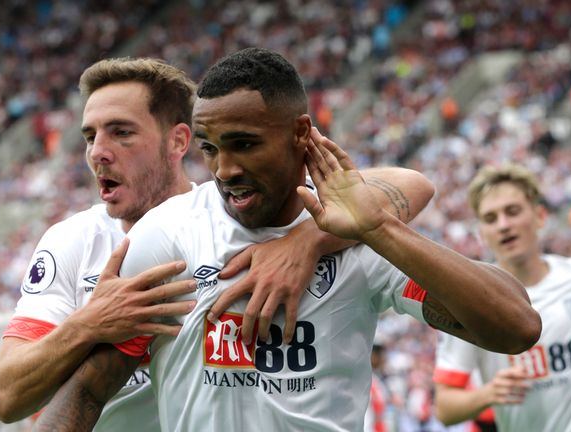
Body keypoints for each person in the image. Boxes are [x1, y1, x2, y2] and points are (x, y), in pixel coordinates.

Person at [34, 47, 540, 431]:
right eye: (210, 148)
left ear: (301, 133)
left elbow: (516, 327)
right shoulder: (169, 234)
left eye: (245, 145)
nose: (225, 169)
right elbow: (88, 391)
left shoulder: (359, 237)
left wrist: (373, 230)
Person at [432, 164, 571, 431]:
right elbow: (445, 407)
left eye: (512, 212)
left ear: (540, 216)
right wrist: (488, 393)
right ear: (482, 233)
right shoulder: (469, 304)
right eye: (491, 218)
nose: (503, 225)